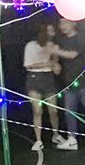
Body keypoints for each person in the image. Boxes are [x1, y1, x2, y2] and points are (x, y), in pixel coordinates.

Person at [53, 18, 85, 151]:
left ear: (73, 23)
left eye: (65, 23)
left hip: (83, 81)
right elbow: (57, 54)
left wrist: (54, 51)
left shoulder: (81, 38)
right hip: (69, 82)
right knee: (69, 112)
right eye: (60, 23)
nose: (62, 26)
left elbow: (72, 54)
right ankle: (72, 139)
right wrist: (55, 61)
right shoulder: (61, 40)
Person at [24, 23, 64, 151]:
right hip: (34, 78)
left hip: (48, 78)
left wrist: (55, 64)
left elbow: (55, 65)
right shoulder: (31, 45)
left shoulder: (54, 46)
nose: (53, 33)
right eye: (50, 30)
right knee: (37, 110)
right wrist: (47, 63)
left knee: (53, 110)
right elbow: (28, 65)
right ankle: (38, 140)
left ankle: (56, 135)